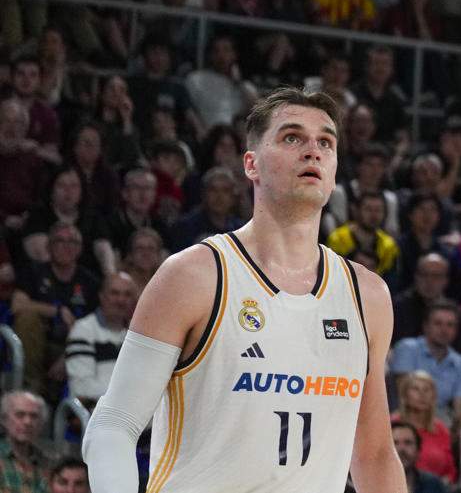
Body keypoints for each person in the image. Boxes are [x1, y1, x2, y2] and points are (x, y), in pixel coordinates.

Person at [80, 87, 405, 493]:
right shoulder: (194, 275)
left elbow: (374, 453)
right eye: (292, 138)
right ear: (251, 164)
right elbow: (113, 424)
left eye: (325, 141)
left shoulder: (367, 295)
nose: (313, 151)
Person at [65, 272, 137, 408]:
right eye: (114, 293)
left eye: (127, 295)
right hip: (101, 414)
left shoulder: (139, 335)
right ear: (102, 297)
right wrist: (131, 393)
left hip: (139, 414)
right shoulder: (83, 330)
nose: (121, 300)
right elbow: (81, 389)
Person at [394, 420, 453, 493]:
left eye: (408, 443)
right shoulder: (377, 484)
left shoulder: (433, 484)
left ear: (418, 450)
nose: (401, 449)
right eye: (395, 443)